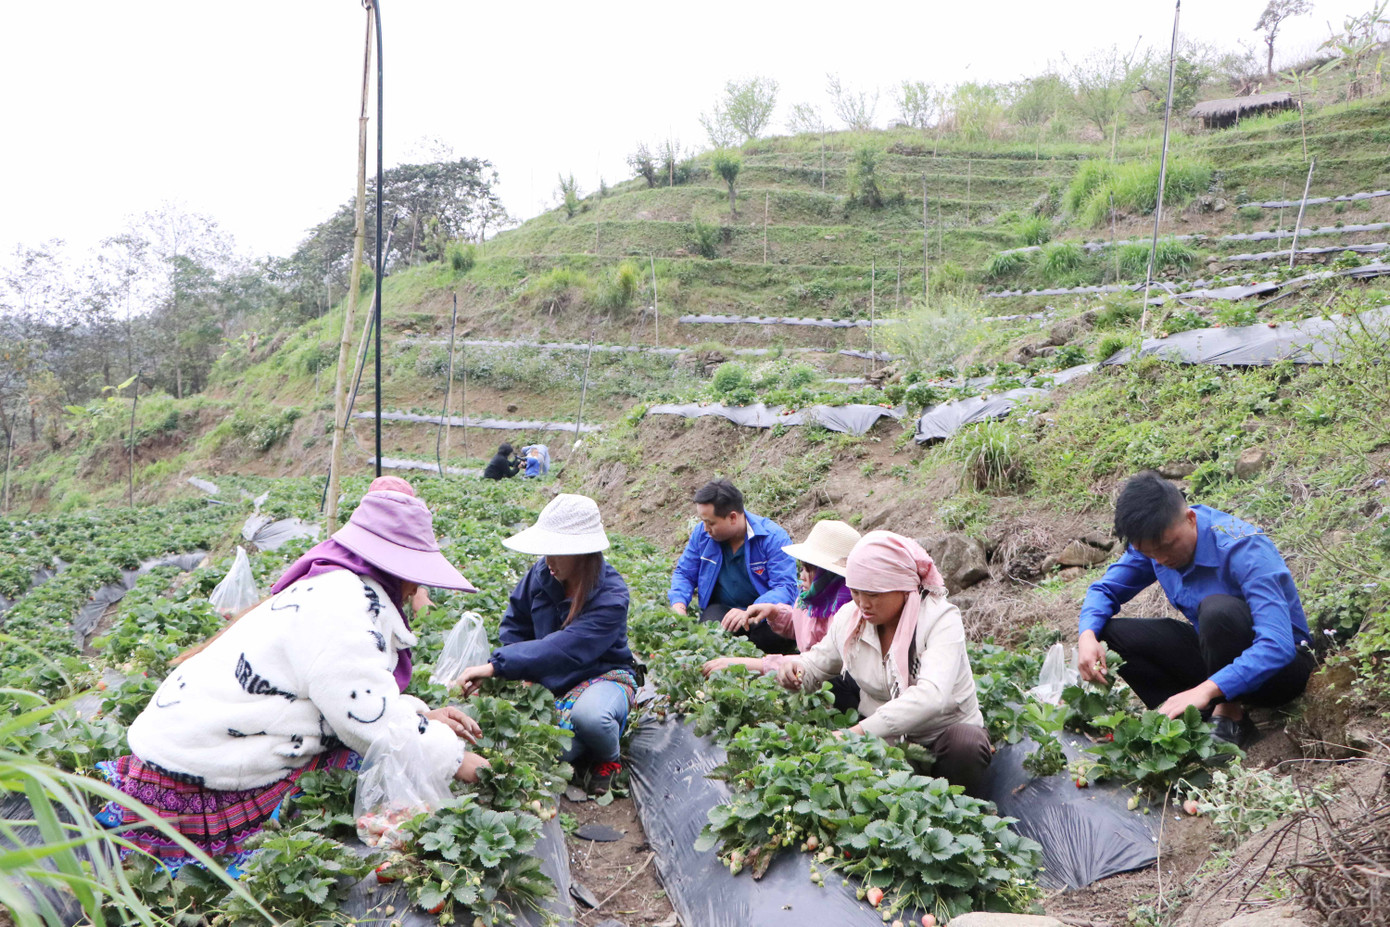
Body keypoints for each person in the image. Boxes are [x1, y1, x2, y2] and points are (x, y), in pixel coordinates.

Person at [96, 481, 488, 872]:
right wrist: (455, 759)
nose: (416, 588)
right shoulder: (343, 609)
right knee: (363, 761)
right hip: (198, 772)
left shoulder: (334, 587)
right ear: (391, 567)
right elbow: (368, 723)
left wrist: (420, 717)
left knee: (375, 755)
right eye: (414, 574)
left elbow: (347, 693)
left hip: (185, 740)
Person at [1077, 471, 1315, 747]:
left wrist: (1207, 689)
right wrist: (1086, 636)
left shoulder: (1243, 547)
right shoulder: (1153, 546)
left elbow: (1278, 645)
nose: (1161, 559)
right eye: (1150, 553)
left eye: (1166, 547)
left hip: (1281, 671)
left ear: (1191, 519)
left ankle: (1230, 715)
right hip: (1218, 659)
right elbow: (1104, 590)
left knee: (1218, 611)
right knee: (1110, 633)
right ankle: (1187, 722)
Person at [775, 531, 992, 794]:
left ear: (902, 587)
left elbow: (931, 696)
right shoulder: (850, 618)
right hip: (884, 738)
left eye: (873, 594)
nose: (863, 604)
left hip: (939, 736)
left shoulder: (940, 620)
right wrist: (797, 670)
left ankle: (959, 805)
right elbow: (817, 663)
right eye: (855, 592)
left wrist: (856, 733)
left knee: (966, 743)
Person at [452, 494, 637, 795]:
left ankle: (609, 758)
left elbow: (565, 647)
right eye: (547, 550)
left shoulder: (611, 597)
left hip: (601, 676)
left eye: (557, 552)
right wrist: (523, 674)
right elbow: (515, 624)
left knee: (592, 718)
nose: (548, 560)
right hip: (549, 681)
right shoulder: (542, 574)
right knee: (551, 751)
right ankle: (584, 745)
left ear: (581, 552)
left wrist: (497, 666)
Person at [701, 519, 861, 711]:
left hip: (840, 684)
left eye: (808, 569)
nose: (801, 575)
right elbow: (801, 626)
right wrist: (775, 612)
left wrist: (749, 664)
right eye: (802, 567)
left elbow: (820, 663)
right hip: (809, 668)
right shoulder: (811, 599)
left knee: (834, 682)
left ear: (828, 575)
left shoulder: (847, 612)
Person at [667, 479, 800, 654]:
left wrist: (751, 610)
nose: (705, 528)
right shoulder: (702, 535)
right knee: (710, 634)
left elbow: (785, 586)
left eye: (711, 523)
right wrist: (678, 605)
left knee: (771, 640)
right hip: (724, 611)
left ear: (732, 517)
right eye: (703, 521)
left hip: (763, 613)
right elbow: (685, 573)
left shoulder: (773, 537)